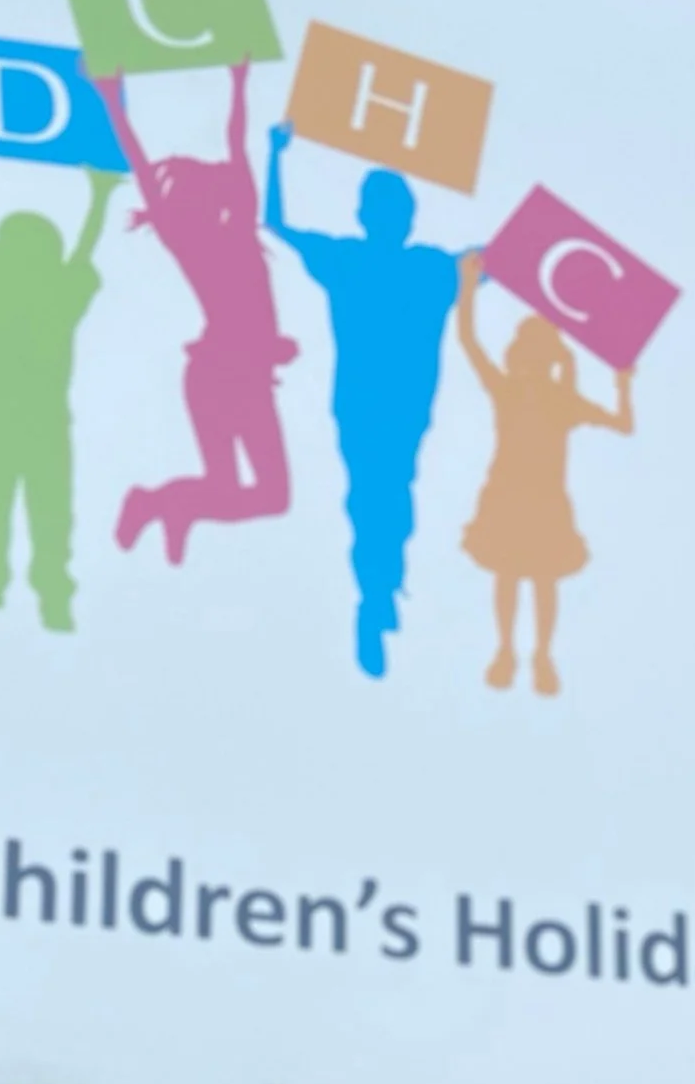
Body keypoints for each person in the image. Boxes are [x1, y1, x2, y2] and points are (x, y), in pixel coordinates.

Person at [263, 131, 459, 678]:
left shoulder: (354, 260)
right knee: (386, 494)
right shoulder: (431, 268)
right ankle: (380, 587)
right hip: (395, 409)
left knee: (373, 496)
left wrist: (275, 154)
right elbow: (505, 260)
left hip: (366, 407)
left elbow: (276, 223)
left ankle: (379, 586)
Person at [94, 62, 297, 567]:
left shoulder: (231, 234)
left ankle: (163, 503)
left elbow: (236, 145)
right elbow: (144, 165)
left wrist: (239, 83)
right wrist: (110, 99)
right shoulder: (197, 241)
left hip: (236, 376)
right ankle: (165, 505)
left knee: (264, 494)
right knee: (247, 489)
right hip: (222, 375)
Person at [0, 150, 116, 633]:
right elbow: (82, 250)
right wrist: (99, 197)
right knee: (26, 505)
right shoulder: (60, 290)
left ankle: (24, 591)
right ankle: (19, 590)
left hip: (17, 421)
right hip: (29, 421)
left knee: (20, 505)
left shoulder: (14, 287)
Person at [455, 251, 634, 697]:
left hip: (541, 499)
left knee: (536, 576)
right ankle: (509, 651)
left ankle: (538, 655)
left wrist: (623, 383)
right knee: (514, 573)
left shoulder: (554, 398)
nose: (531, 361)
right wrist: (465, 286)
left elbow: (622, 424)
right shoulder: (517, 391)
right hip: (514, 495)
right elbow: (470, 342)